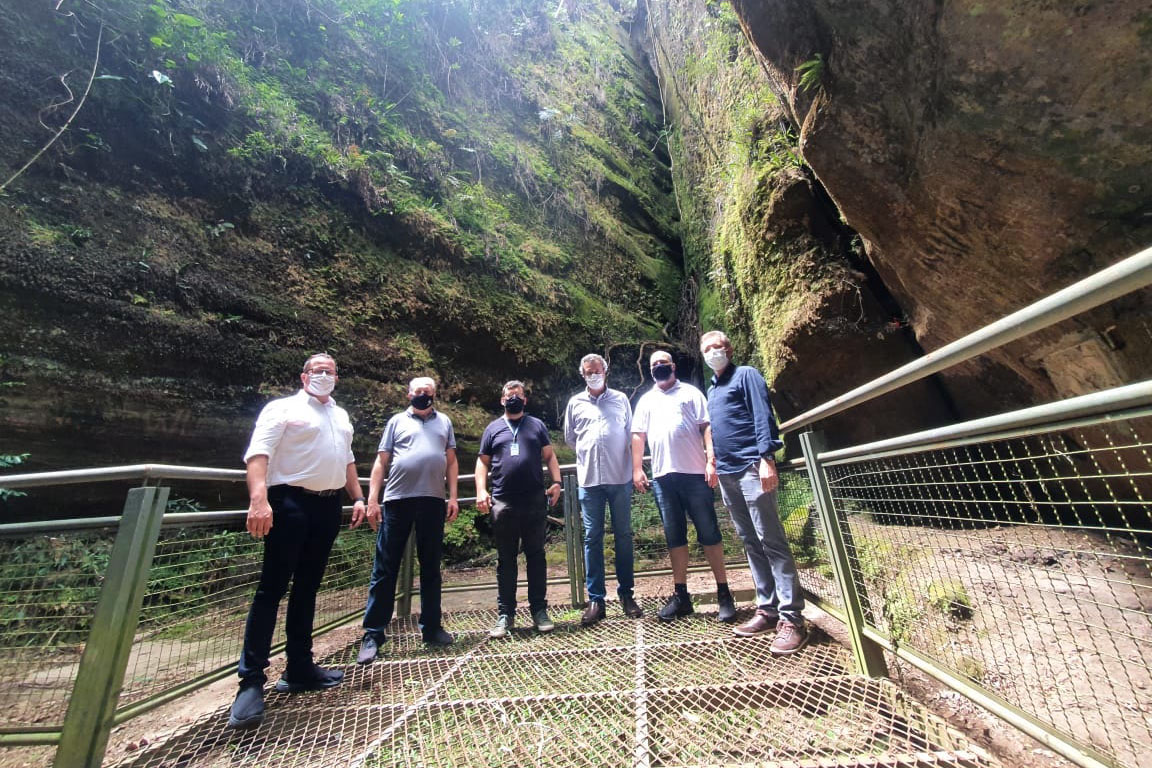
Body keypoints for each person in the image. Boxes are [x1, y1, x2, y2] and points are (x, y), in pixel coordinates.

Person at [229, 353, 370, 730]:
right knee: (271, 588)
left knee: (308, 589)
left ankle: (300, 667)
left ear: (337, 377)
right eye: (317, 370)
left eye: (330, 370)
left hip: (328, 505)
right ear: (304, 376)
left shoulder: (339, 416)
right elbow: (258, 455)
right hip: (289, 502)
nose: (324, 375)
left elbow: (348, 459)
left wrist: (357, 497)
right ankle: (251, 683)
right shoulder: (282, 408)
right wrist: (259, 500)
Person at [701, 330, 808, 655]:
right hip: (729, 473)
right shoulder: (713, 389)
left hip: (751, 467)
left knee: (771, 540)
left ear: (729, 349)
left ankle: (793, 620)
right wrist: (715, 462)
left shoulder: (746, 375)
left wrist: (766, 459)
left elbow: (763, 416)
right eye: (706, 349)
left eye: (717, 346)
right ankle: (768, 608)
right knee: (750, 541)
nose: (712, 352)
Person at [356, 377, 460, 665]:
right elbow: (381, 462)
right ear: (408, 394)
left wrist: (452, 497)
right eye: (418, 391)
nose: (423, 395)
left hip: (432, 501)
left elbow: (451, 461)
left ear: (435, 395)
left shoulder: (445, 423)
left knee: (430, 567)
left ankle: (432, 628)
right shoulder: (395, 422)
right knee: (385, 568)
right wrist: (373, 499)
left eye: (428, 391)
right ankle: (373, 634)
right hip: (397, 502)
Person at [631, 350, 736, 623]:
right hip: (664, 477)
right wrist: (637, 468)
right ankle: (682, 597)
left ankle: (724, 593)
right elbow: (638, 436)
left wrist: (711, 460)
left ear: (672, 366)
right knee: (674, 536)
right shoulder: (646, 401)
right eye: (653, 364)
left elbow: (706, 427)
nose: (658, 367)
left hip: (694, 473)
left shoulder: (691, 393)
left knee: (709, 531)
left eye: (662, 363)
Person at [475, 381, 563, 637]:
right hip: (503, 502)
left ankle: (539, 611)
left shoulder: (536, 425)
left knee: (536, 556)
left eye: (518, 395)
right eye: (509, 395)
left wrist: (556, 482)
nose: (514, 398)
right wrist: (481, 490)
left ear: (525, 400)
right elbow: (482, 464)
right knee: (506, 559)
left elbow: (550, 456)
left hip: (534, 500)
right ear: (502, 400)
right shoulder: (492, 429)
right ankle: (506, 615)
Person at [564, 354, 643, 625]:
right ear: (582, 374)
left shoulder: (620, 399)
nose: (593, 374)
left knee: (623, 535)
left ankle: (626, 595)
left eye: (597, 370)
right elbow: (571, 438)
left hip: (619, 478)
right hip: (589, 481)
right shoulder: (575, 403)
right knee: (591, 538)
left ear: (605, 371)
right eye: (589, 372)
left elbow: (631, 433)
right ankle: (596, 600)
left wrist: (633, 469)